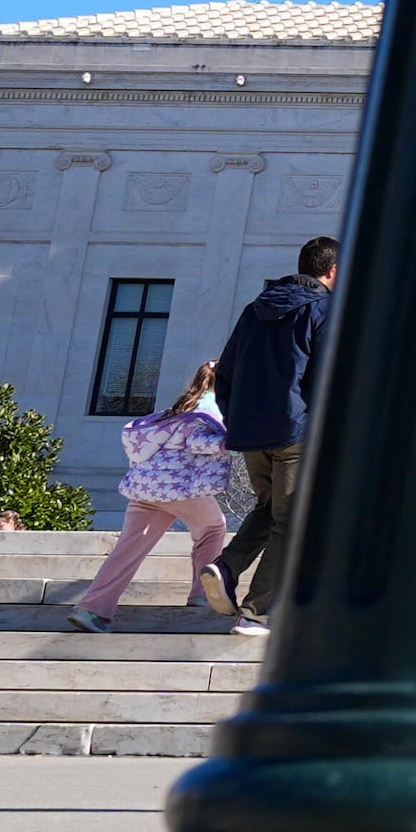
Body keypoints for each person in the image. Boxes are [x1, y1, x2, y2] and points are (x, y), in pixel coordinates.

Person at [209, 235, 337, 627]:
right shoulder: (324, 309)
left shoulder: (254, 309)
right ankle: (256, 613)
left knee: (269, 509)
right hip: (295, 430)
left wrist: (236, 420)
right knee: (292, 518)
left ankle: (226, 568)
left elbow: (224, 371)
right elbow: (327, 374)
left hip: (251, 432)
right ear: (333, 270)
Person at [66, 363, 240, 634]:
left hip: (146, 488)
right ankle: (201, 594)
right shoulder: (210, 407)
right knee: (213, 527)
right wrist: (235, 442)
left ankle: (91, 609)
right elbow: (197, 442)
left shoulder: (179, 408)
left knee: (128, 548)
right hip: (178, 487)